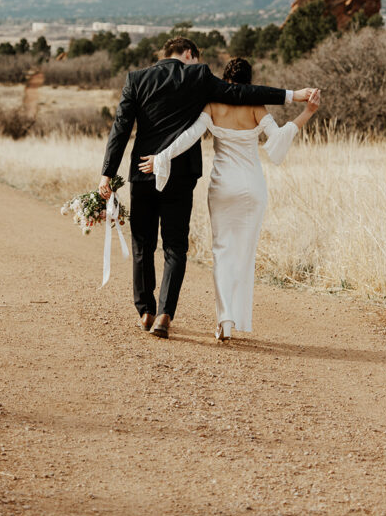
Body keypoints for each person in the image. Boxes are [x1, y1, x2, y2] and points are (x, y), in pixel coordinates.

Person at [99, 38, 318, 339]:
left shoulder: (136, 79)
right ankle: (165, 313)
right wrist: (293, 96)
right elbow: (241, 93)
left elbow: (121, 127)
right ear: (189, 54)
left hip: (143, 171)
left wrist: (107, 174)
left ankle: (146, 310)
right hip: (182, 175)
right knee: (175, 246)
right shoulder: (198, 75)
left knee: (143, 243)